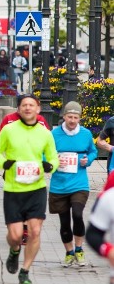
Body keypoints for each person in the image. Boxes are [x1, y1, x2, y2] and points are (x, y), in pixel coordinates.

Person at [0, 94, 58, 284]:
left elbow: (53, 157)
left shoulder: (45, 133)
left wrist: (49, 166)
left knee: (35, 231)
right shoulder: (9, 130)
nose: (28, 108)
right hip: (13, 188)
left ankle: (25, 270)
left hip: (36, 188)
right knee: (16, 235)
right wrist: (4, 162)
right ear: (18, 109)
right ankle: (14, 251)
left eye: (31, 105)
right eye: (24, 105)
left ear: (37, 109)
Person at [50, 101, 97, 267]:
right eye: (69, 116)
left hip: (79, 183)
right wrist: (53, 161)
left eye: (75, 117)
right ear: (64, 117)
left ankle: (79, 249)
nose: (72, 120)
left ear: (79, 118)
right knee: (64, 222)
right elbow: (43, 154)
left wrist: (88, 160)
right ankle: (69, 252)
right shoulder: (54, 135)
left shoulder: (85, 134)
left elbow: (93, 151)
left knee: (77, 214)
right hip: (59, 184)